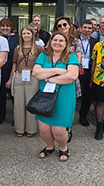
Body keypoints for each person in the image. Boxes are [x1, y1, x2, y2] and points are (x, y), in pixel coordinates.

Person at [32, 33, 79, 161]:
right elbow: (35, 72)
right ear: (51, 41)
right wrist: (57, 71)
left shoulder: (71, 57)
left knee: (58, 130)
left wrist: (47, 78)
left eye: (61, 40)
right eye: (55, 40)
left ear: (66, 44)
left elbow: (72, 76)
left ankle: (63, 147)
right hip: (44, 96)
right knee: (44, 129)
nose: (57, 42)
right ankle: (49, 146)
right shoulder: (43, 56)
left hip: (64, 96)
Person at [7, 25, 45, 136]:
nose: (26, 36)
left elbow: (42, 65)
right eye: (24, 33)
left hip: (32, 77)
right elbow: (14, 64)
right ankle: (19, 129)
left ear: (32, 34)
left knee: (31, 103)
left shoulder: (38, 49)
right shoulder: (18, 48)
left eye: (28, 33)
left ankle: (31, 129)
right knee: (18, 104)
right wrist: (10, 79)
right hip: (19, 76)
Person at [75, 20, 98, 126]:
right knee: (73, 94)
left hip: (89, 69)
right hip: (75, 69)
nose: (87, 30)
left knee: (87, 95)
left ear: (92, 30)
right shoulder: (74, 40)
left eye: (89, 28)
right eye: (85, 27)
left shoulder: (95, 41)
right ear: (81, 28)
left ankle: (83, 117)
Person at [0, 18, 18, 125]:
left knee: (14, 94)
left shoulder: (17, 39)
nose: (5, 28)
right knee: (0, 94)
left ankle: (17, 117)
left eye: (7, 26)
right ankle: (0, 115)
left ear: (11, 27)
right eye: (2, 26)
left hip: (12, 69)